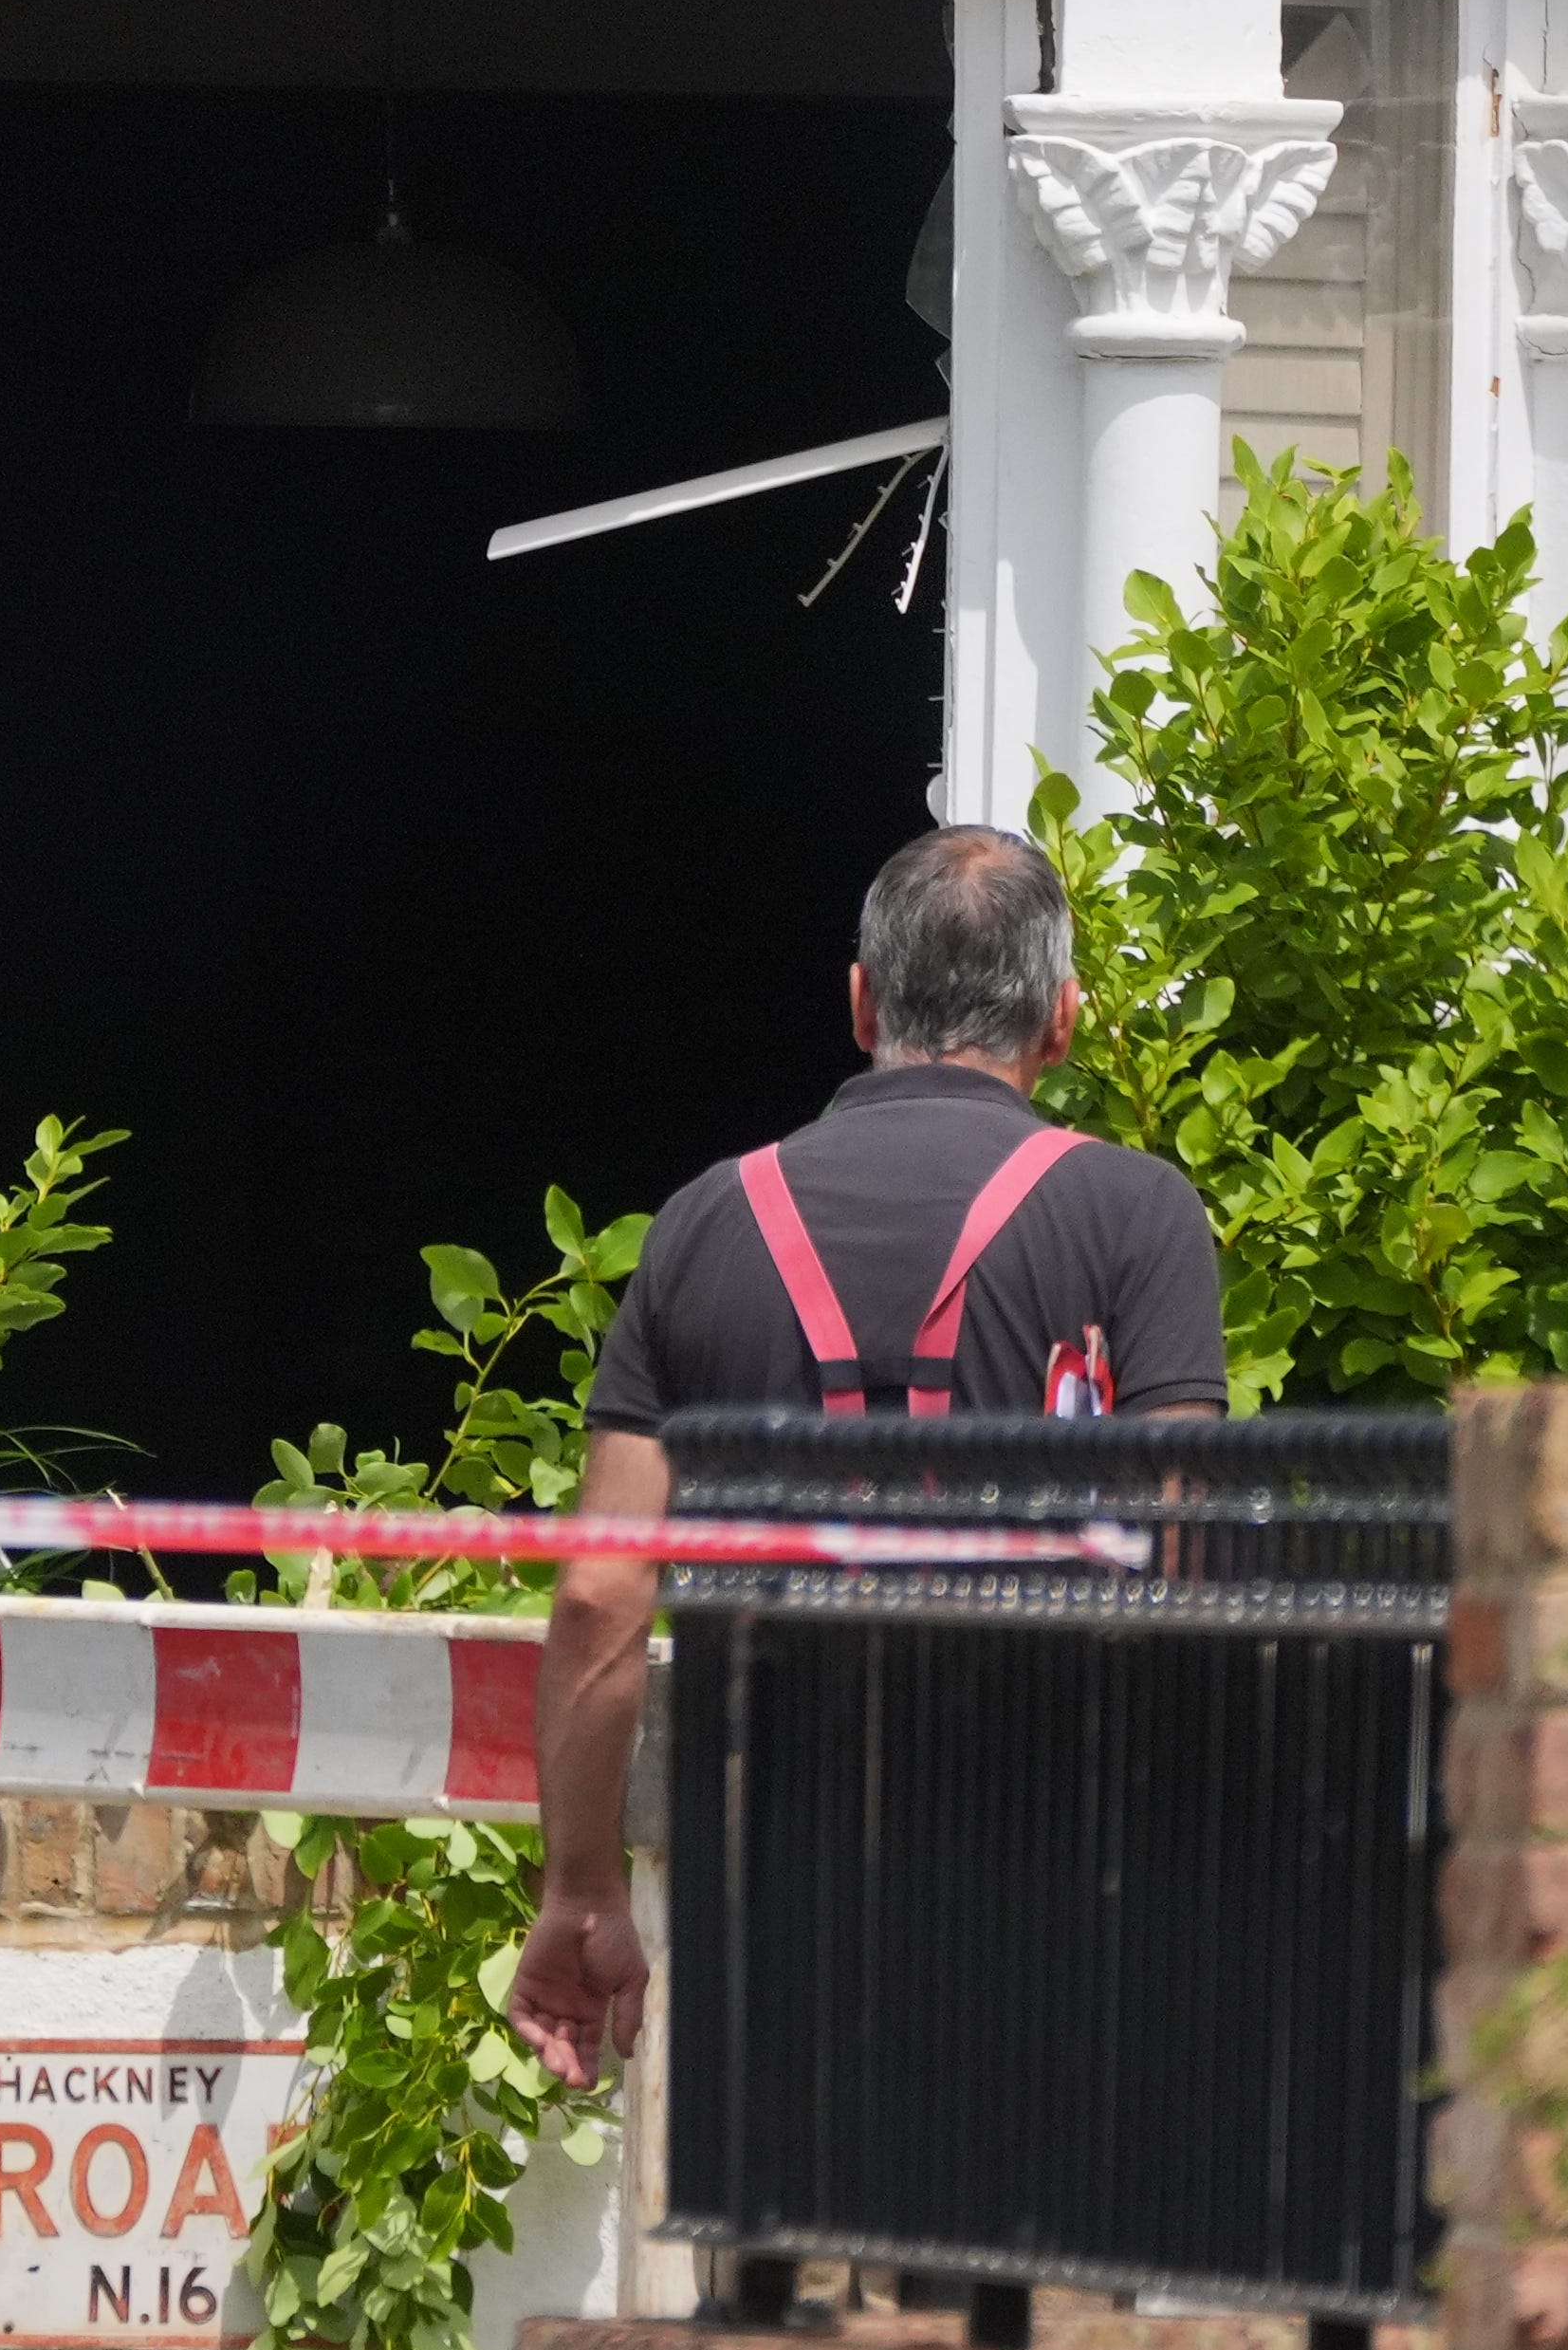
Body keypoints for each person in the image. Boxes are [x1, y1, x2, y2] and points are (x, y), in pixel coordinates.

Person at [501, 823, 1219, 2089]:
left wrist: (582, 1887)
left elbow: (600, 1593)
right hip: (1058, 1890)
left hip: (778, 1901)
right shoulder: (1137, 1213)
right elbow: (1183, 1551)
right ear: (1062, 1020)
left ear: (862, 1002)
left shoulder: (704, 1223)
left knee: (789, 2207)